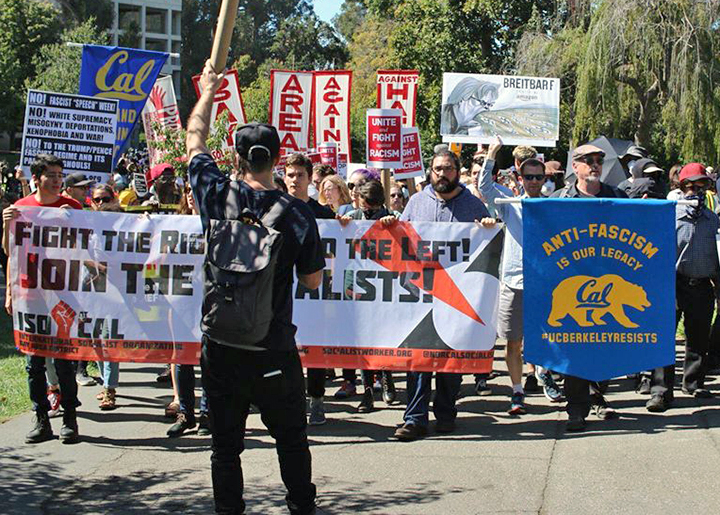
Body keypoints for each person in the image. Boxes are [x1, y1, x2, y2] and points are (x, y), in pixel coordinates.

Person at [187, 60, 324, 515]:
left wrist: (209, 90)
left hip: (220, 346)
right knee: (291, 441)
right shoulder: (298, 214)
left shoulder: (213, 194)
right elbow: (312, 280)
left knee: (225, 447)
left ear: (237, 159)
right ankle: (301, 507)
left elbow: (193, 139)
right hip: (273, 348)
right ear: (277, 159)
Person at [390, 148, 491, 442]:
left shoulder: (473, 205)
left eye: (448, 168)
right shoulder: (416, 202)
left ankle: (446, 414)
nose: (442, 174)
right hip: (421, 293)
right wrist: (387, 226)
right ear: (430, 172)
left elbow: (488, 245)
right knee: (418, 360)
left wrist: (487, 227)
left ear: (457, 171)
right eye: (437, 169)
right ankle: (414, 419)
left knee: (450, 360)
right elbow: (401, 239)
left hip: (457, 295)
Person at [478, 138, 564, 415]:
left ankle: (544, 374)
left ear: (545, 179)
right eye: (529, 177)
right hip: (514, 281)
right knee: (513, 341)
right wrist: (492, 153)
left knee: (547, 336)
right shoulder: (510, 202)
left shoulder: (554, 206)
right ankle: (517, 392)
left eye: (539, 177)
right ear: (520, 177)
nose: (534, 182)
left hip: (545, 283)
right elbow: (484, 187)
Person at [2, 154, 83, 444]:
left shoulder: (72, 207)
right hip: (30, 295)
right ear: (36, 178)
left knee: (63, 361)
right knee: (33, 363)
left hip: (62, 293)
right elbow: (10, 252)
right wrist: (6, 225)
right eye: (52, 175)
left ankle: (70, 419)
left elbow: (86, 249)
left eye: (61, 175)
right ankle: (41, 419)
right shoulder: (21, 208)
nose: (58, 180)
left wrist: (73, 223)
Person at [552, 144, 627, 432]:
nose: (595, 165)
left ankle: (597, 395)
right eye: (588, 160)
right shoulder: (559, 199)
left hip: (608, 285)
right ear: (575, 166)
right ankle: (576, 409)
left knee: (604, 346)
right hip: (574, 287)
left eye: (599, 160)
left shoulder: (617, 196)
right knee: (575, 348)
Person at [646, 163, 720, 412]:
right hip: (673, 283)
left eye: (701, 186)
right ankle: (660, 391)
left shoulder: (712, 219)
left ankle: (693, 382)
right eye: (690, 186)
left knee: (698, 337)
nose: (695, 192)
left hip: (703, 284)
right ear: (681, 186)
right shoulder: (669, 216)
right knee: (664, 338)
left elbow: (716, 255)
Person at [284, 152, 336, 426]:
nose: (295, 180)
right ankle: (289, 399)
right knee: (283, 348)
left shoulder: (323, 214)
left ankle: (316, 399)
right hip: (281, 292)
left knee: (315, 345)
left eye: (300, 175)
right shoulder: (275, 209)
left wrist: (344, 226)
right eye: (290, 175)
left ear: (309, 178)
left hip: (315, 292)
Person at [340, 180, 400, 412]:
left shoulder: (392, 216)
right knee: (363, 341)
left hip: (384, 284)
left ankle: (386, 377)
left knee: (384, 337)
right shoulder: (352, 216)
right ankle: (367, 391)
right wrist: (341, 225)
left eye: (373, 207)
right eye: (366, 206)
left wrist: (393, 223)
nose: (369, 211)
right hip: (358, 284)